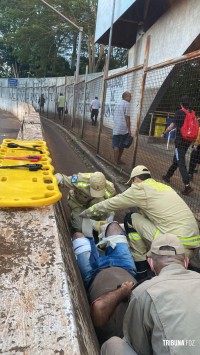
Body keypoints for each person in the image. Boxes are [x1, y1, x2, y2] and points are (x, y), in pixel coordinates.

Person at [80, 165, 200, 279]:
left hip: (172, 244)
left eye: (131, 182)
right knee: (140, 223)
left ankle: (141, 269)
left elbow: (111, 203)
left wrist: (88, 212)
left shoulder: (140, 188)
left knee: (130, 218)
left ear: (136, 179)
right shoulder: (163, 187)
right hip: (191, 246)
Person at [101, 234, 200, 355]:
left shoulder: (143, 292)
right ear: (186, 262)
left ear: (151, 263)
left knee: (112, 344)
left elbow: (139, 347)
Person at [72, 221, 137, 345]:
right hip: (124, 266)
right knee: (113, 226)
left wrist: (122, 291)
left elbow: (99, 307)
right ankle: (99, 239)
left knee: (78, 236)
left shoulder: (116, 333)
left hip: (93, 272)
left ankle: (93, 239)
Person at [162, 95, 194, 195]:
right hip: (187, 141)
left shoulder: (179, 113)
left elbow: (172, 125)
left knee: (181, 162)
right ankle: (168, 176)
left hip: (180, 141)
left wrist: (165, 132)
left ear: (181, 104)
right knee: (177, 159)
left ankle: (187, 185)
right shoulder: (192, 113)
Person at [112, 91, 132, 165]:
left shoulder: (118, 103)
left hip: (116, 127)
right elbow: (127, 118)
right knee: (122, 145)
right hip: (123, 128)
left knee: (116, 145)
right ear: (126, 97)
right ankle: (118, 160)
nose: (131, 98)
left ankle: (116, 161)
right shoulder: (127, 104)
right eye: (130, 96)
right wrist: (129, 129)